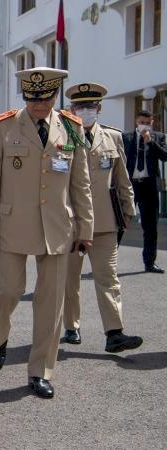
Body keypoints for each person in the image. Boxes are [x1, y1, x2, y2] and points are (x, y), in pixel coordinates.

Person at [0, 67, 93, 399]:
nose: (38, 105)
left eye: (44, 99)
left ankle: (40, 370)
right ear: (24, 96)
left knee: (51, 303)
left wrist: (85, 228)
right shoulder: (3, 126)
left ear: (55, 95)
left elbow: (81, 183)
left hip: (58, 228)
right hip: (11, 226)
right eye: (32, 98)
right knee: (9, 290)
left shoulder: (71, 128)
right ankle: (0, 333)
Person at [62, 82, 143, 353]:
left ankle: (114, 332)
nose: (85, 111)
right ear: (71, 108)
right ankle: (72, 326)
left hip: (105, 221)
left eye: (90, 106)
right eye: (80, 106)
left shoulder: (113, 138)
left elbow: (122, 178)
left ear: (99, 107)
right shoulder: (60, 137)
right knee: (69, 279)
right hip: (71, 222)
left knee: (108, 278)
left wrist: (128, 209)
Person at [122, 110, 167, 273]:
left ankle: (150, 263)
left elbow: (165, 156)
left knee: (151, 227)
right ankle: (108, 262)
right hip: (129, 185)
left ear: (152, 122)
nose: (144, 125)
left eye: (148, 123)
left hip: (149, 186)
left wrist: (150, 142)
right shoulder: (125, 137)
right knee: (120, 223)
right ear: (136, 121)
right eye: (142, 122)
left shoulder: (159, 137)